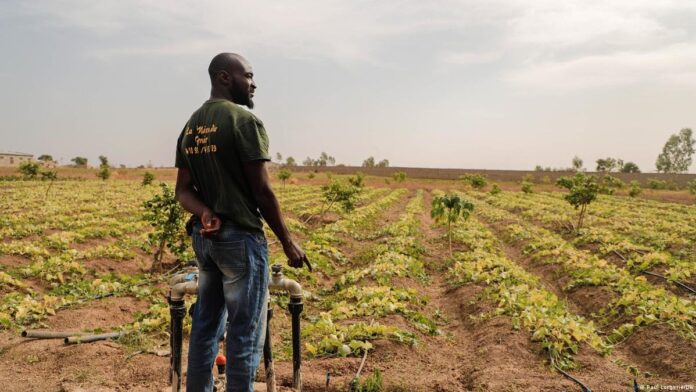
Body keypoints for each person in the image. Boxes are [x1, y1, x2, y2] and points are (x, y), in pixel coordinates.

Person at [174, 52, 309, 392]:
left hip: (206, 241)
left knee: (205, 324)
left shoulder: (191, 126)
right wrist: (289, 243)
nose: (253, 84)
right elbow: (262, 193)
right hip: (240, 243)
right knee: (245, 330)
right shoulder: (244, 121)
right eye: (248, 76)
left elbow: (183, 191)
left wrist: (204, 212)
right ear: (224, 77)